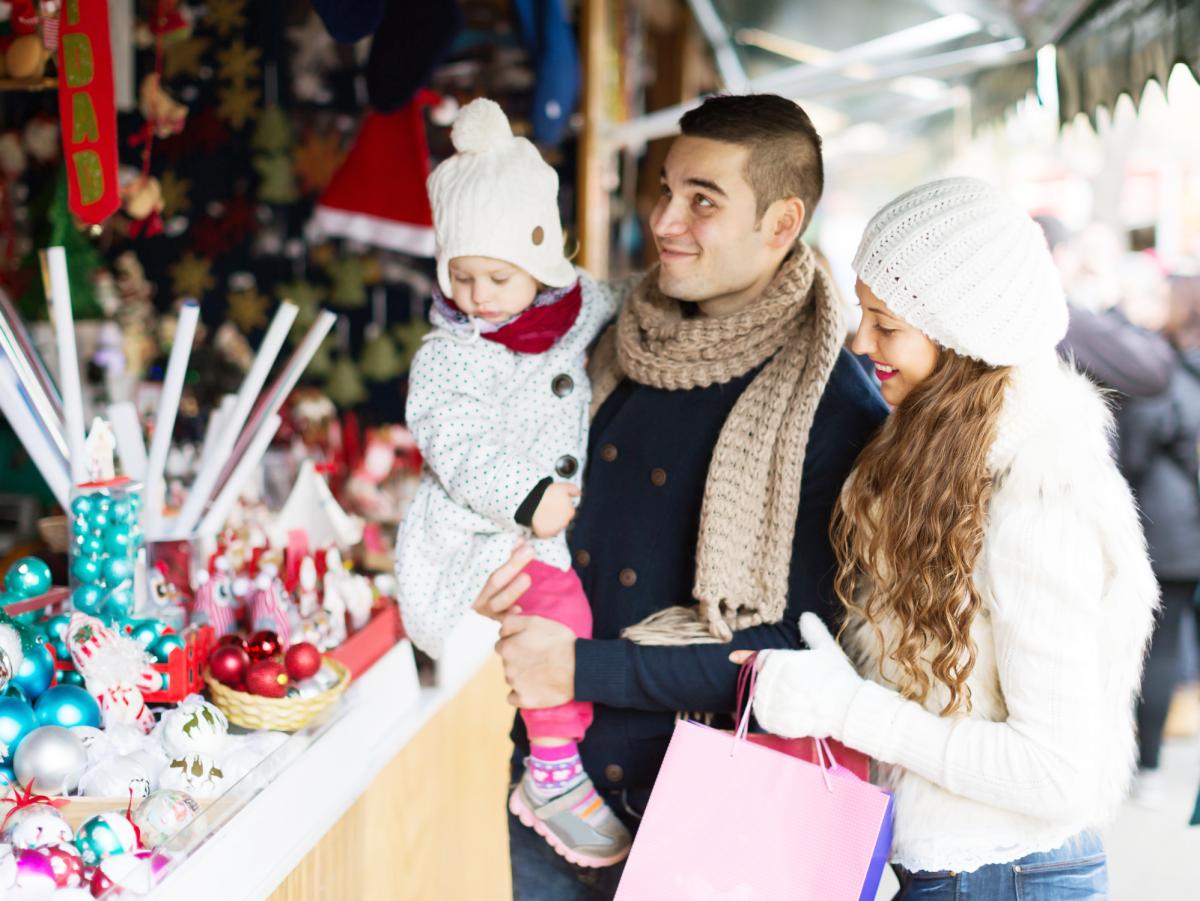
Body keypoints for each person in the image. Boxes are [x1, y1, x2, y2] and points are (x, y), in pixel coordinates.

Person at [472, 93, 889, 899]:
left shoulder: (835, 407)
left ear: (780, 222)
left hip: (712, 821)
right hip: (552, 793)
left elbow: (802, 658)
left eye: (703, 200)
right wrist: (509, 569)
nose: (664, 220)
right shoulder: (610, 340)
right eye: (665, 189)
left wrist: (577, 667)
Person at [738, 178, 1159, 900]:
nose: (860, 341)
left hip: (1008, 874)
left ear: (962, 338)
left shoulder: (1039, 497)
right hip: (961, 866)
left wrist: (844, 708)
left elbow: (1055, 772)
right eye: (861, 313)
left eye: (885, 323)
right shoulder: (941, 458)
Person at [392, 98, 632, 866]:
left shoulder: (578, 308)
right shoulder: (450, 353)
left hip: (548, 519)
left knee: (580, 615)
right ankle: (552, 774)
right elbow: (455, 444)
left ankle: (560, 758)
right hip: (484, 522)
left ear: (543, 257)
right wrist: (527, 495)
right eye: (461, 277)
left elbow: (631, 305)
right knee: (554, 616)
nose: (480, 297)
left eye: (499, 275)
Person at [1118, 274, 1200, 805]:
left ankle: (1144, 768)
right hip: (1188, 528)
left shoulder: (1159, 371)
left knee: (1155, 647)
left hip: (1165, 531)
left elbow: (1132, 453)